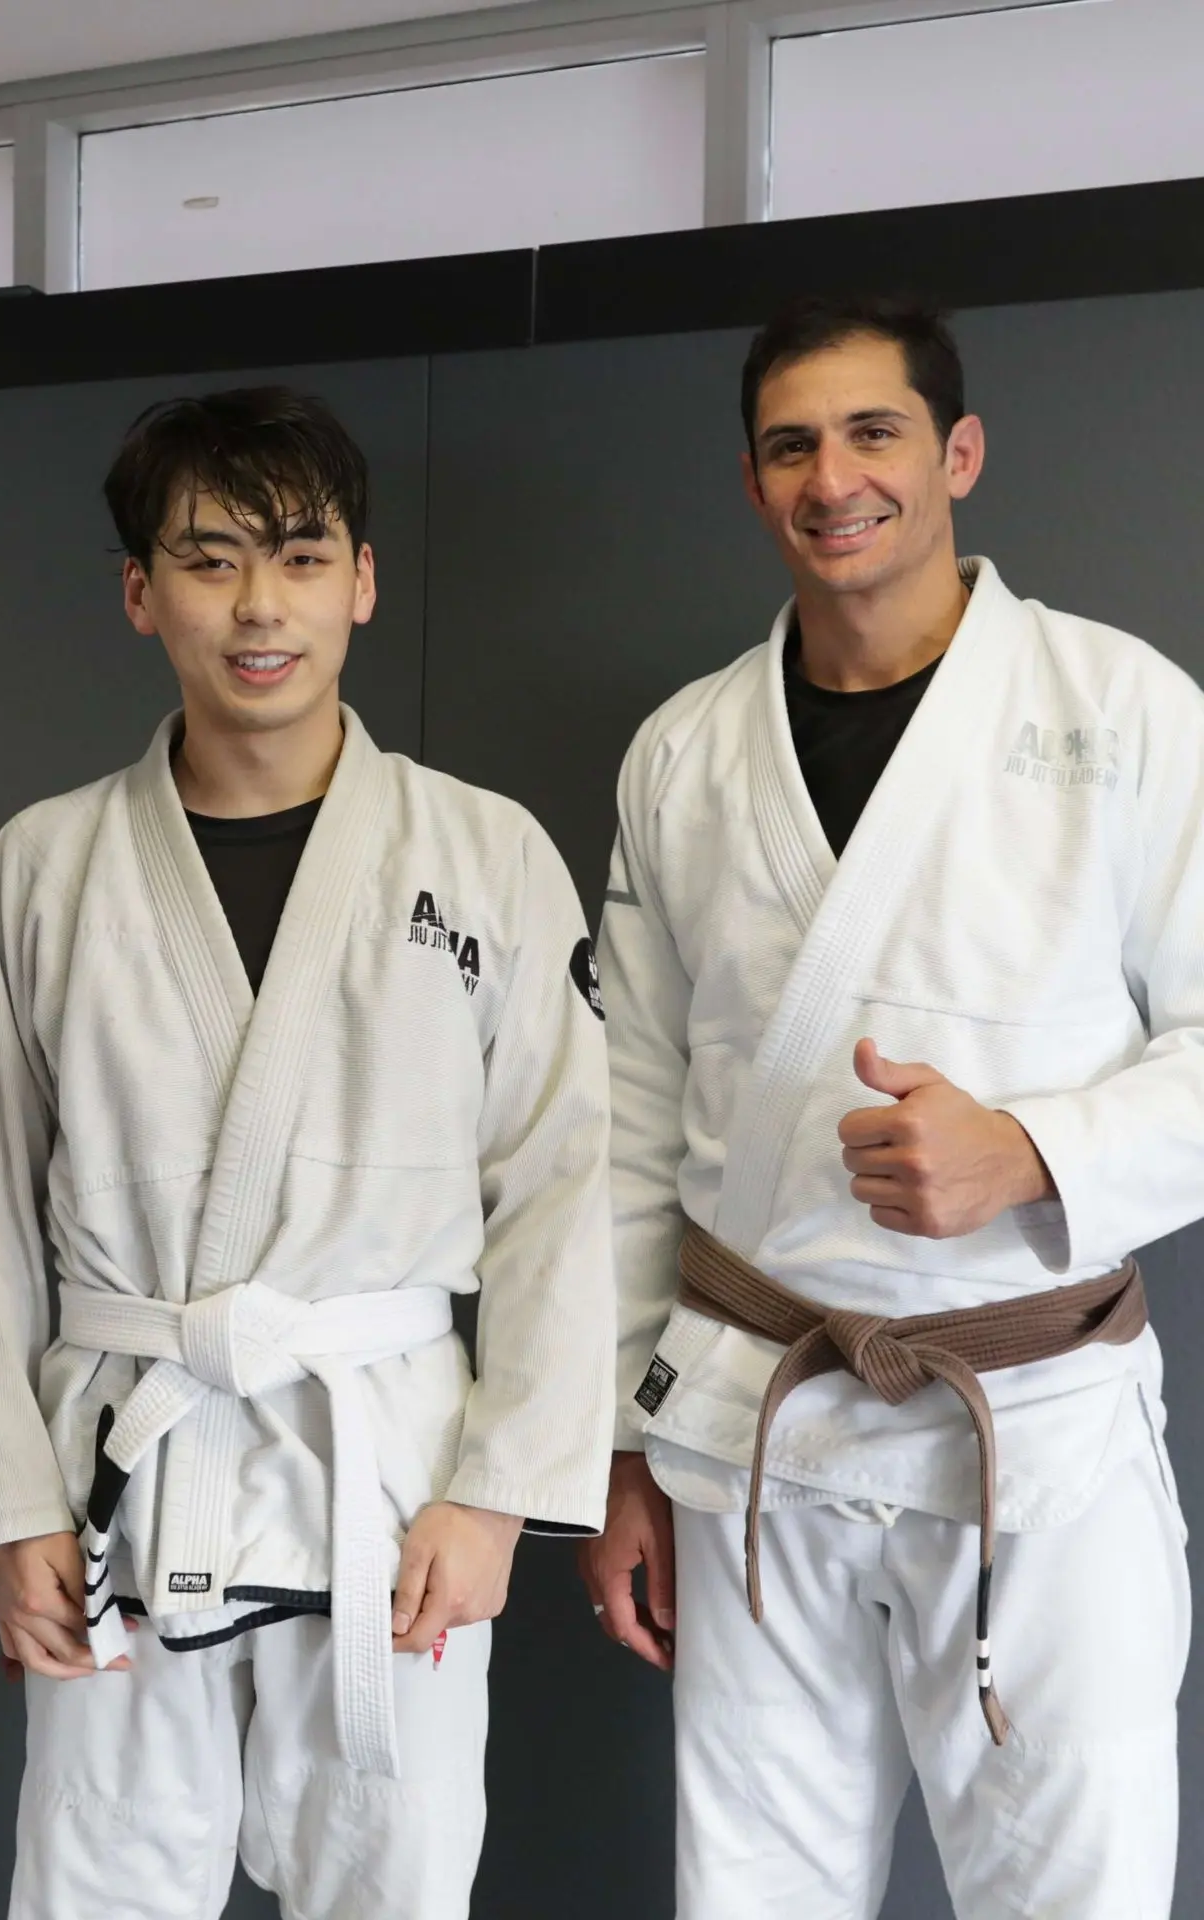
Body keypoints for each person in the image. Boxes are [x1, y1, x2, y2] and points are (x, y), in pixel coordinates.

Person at [0, 386, 613, 1919]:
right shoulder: (46, 862)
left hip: (394, 1486)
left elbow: (565, 1192)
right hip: (121, 1464)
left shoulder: (486, 852)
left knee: (393, 1887)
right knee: (95, 1888)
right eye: (211, 557)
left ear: (362, 581)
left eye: (300, 558)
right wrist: (6, 1498)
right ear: (140, 593)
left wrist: (500, 1488)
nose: (259, 606)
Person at [580, 294, 1196, 1916]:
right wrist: (619, 1455)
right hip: (748, 1422)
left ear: (959, 455)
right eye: (793, 444)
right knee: (753, 1893)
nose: (833, 476)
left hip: (1034, 1426)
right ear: (753, 481)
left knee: (1072, 1888)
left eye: (875, 433)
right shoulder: (687, 753)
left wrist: (1034, 1152)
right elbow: (630, 1122)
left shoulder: (1125, 711)